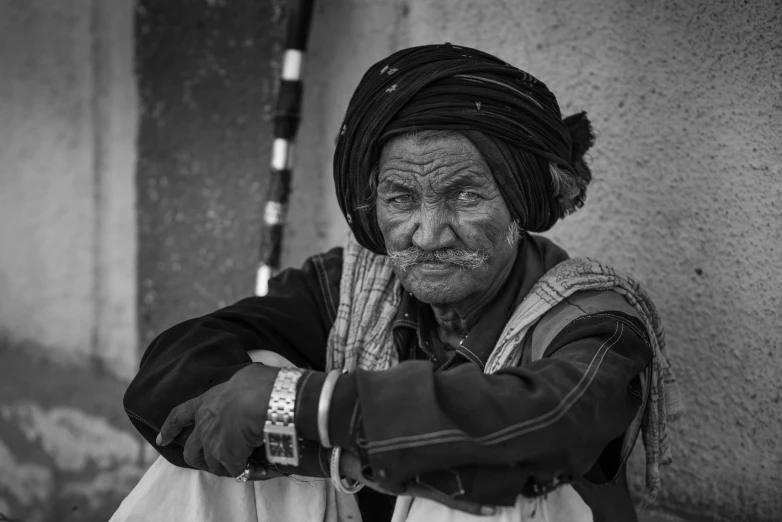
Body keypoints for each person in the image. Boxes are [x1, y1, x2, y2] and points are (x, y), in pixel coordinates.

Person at [123, 43, 681, 522]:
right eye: (400, 199)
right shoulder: (352, 287)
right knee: (231, 424)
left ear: (519, 206)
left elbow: (545, 422)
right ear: (373, 208)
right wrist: (282, 416)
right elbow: (178, 363)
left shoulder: (591, 316)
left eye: (465, 196)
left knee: (480, 483)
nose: (428, 233)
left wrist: (301, 407)